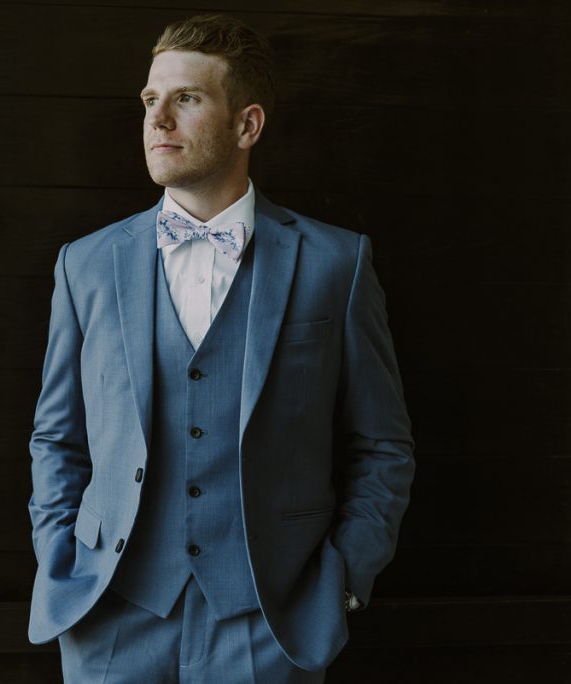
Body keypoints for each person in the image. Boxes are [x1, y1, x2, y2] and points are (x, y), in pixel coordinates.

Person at [27, 14, 414, 683]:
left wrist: (344, 577)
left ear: (247, 125)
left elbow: (382, 445)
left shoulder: (335, 263)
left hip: (271, 619)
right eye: (151, 100)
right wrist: (61, 552)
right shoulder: (85, 265)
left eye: (186, 99)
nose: (159, 120)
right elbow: (56, 438)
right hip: (111, 615)